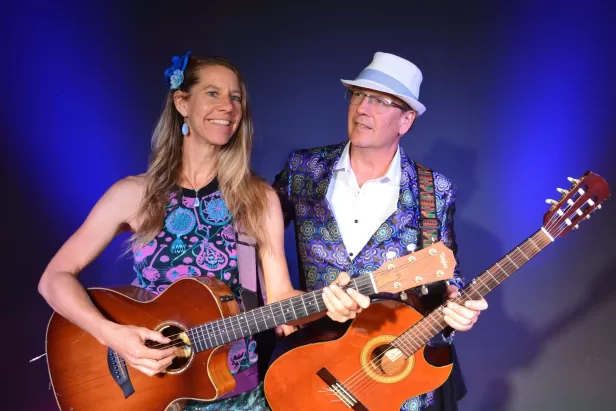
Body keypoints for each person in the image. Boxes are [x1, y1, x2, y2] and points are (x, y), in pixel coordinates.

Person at [37, 50, 368, 411]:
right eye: (213, 93)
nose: (227, 106)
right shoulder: (134, 194)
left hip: (236, 393)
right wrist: (113, 336)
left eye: (236, 97)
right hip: (152, 391)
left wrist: (327, 305)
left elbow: (278, 300)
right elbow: (54, 278)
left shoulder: (257, 199)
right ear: (182, 102)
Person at [271, 51, 489, 410]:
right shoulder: (303, 169)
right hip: (313, 365)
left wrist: (457, 304)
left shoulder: (434, 189)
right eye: (359, 95)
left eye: (380, 101)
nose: (363, 108)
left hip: (389, 370)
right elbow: (255, 239)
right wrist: (277, 303)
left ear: (405, 121)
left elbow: (447, 272)